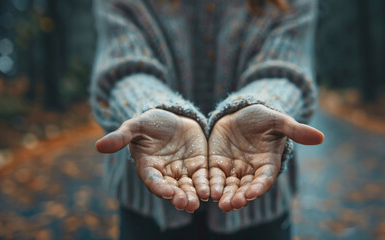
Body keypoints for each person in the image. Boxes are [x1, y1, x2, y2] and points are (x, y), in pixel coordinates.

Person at [90, 0, 324, 239]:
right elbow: (124, 69)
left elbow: (283, 70)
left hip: (258, 200)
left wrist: (258, 105)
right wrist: (154, 108)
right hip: (149, 205)